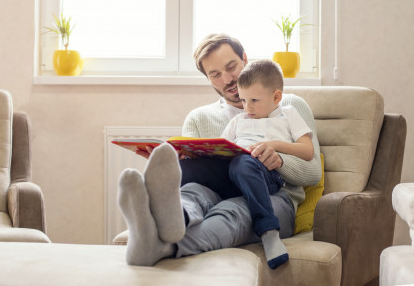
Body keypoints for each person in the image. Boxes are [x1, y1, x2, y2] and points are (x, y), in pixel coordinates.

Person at [117, 33, 322, 267]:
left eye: (231, 66)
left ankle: (162, 247)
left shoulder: (289, 106)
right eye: (215, 74)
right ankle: (167, 217)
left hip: (274, 196)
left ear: (245, 59)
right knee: (191, 192)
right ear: (209, 79)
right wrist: (176, 161)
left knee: (233, 210)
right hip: (215, 189)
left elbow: (313, 172)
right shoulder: (198, 118)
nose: (227, 79)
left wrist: (279, 161)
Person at [179, 59, 314, 269]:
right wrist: (193, 156)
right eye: (243, 101)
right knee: (186, 168)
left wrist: (274, 146)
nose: (247, 107)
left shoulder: (288, 114)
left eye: (254, 100)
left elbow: (308, 151)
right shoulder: (239, 120)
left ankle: (269, 231)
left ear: (276, 97)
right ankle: (178, 212)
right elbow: (223, 149)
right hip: (233, 176)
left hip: (265, 175)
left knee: (243, 163)